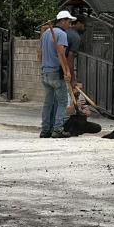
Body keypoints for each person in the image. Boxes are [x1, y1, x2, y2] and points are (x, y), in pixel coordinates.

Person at [38, 10, 75, 138]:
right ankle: (58, 129)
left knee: (48, 103)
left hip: (45, 72)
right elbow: (61, 54)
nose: (70, 25)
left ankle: (45, 130)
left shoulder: (45, 33)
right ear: (62, 21)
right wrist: (68, 71)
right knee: (62, 102)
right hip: (56, 72)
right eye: (69, 22)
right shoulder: (62, 34)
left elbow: (39, 53)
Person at [65, 15, 86, 89]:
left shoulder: (64, 31)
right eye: (84, 25)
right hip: (63, 72)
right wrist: (73, 79)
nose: (84, 28)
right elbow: (70, 59)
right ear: (79, 23)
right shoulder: (75, 37)